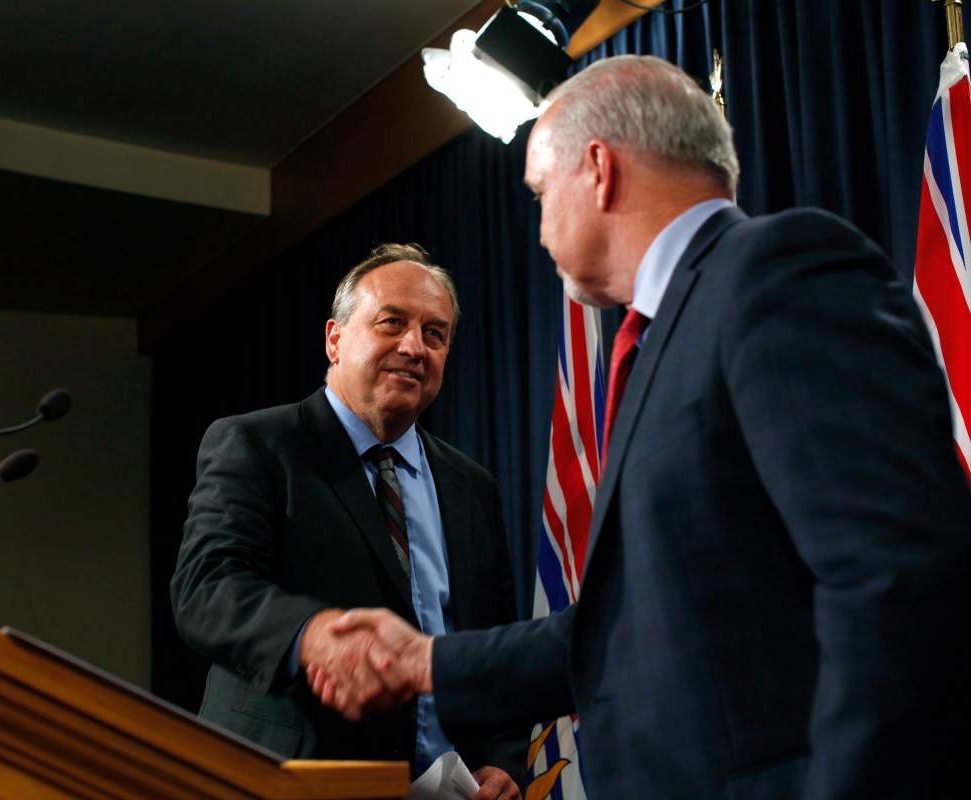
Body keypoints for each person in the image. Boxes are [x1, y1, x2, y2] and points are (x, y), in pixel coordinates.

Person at [306, 56, 971, 798]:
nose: (538, 226)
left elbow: (895, 577)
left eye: (540, 191)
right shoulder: (660, 339)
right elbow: (636, 623)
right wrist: (427, 661)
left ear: (598, 169)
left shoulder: (778, 272)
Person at [170, 244, 524, 799]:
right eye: (392, 323)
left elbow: (494, 644)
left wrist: (501, 759)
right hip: (288, 780)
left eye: (435, 334)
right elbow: (206, 590)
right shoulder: (258, 445)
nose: (414, 347)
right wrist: (308, 636)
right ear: (335, 339)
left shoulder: (471, 486)